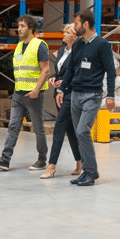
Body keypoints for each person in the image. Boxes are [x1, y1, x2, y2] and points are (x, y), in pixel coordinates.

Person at [56, 10, 115, 187]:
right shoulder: (78, 45)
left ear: (86, 24)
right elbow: (71, 69)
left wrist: (111, 95)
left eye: (76, 23)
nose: (74, 26)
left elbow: (111, 71)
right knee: (78, 133)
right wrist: (61, 89)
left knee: (82, 131)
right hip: (75, 94)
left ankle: (92, 171)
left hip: (92, 95)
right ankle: (86, 171)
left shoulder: (102, 44)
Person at [0, 14, 50, 172]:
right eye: (18, 26)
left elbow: (46, 70)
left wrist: (36, 90)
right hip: (18, 94)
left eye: (22, 26)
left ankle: (42, 159)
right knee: (13, 126)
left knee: (38, 128)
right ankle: (5, 160)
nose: (19, 29)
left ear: (31, 28)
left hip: (34, 95)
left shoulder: (39, 45)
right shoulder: (19, 46)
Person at [40, 23, 83, 179]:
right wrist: (54, 79)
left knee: (59, 127)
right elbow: (60, 73)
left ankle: (51, 165)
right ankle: (80, 162)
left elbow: (79, 75)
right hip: (59, 94)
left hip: (71, 95)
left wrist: (65, 83)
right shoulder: (60, 51)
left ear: (75, 37)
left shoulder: (79, 53)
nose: (64, 34)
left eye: (67, 32)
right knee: (70, 129)